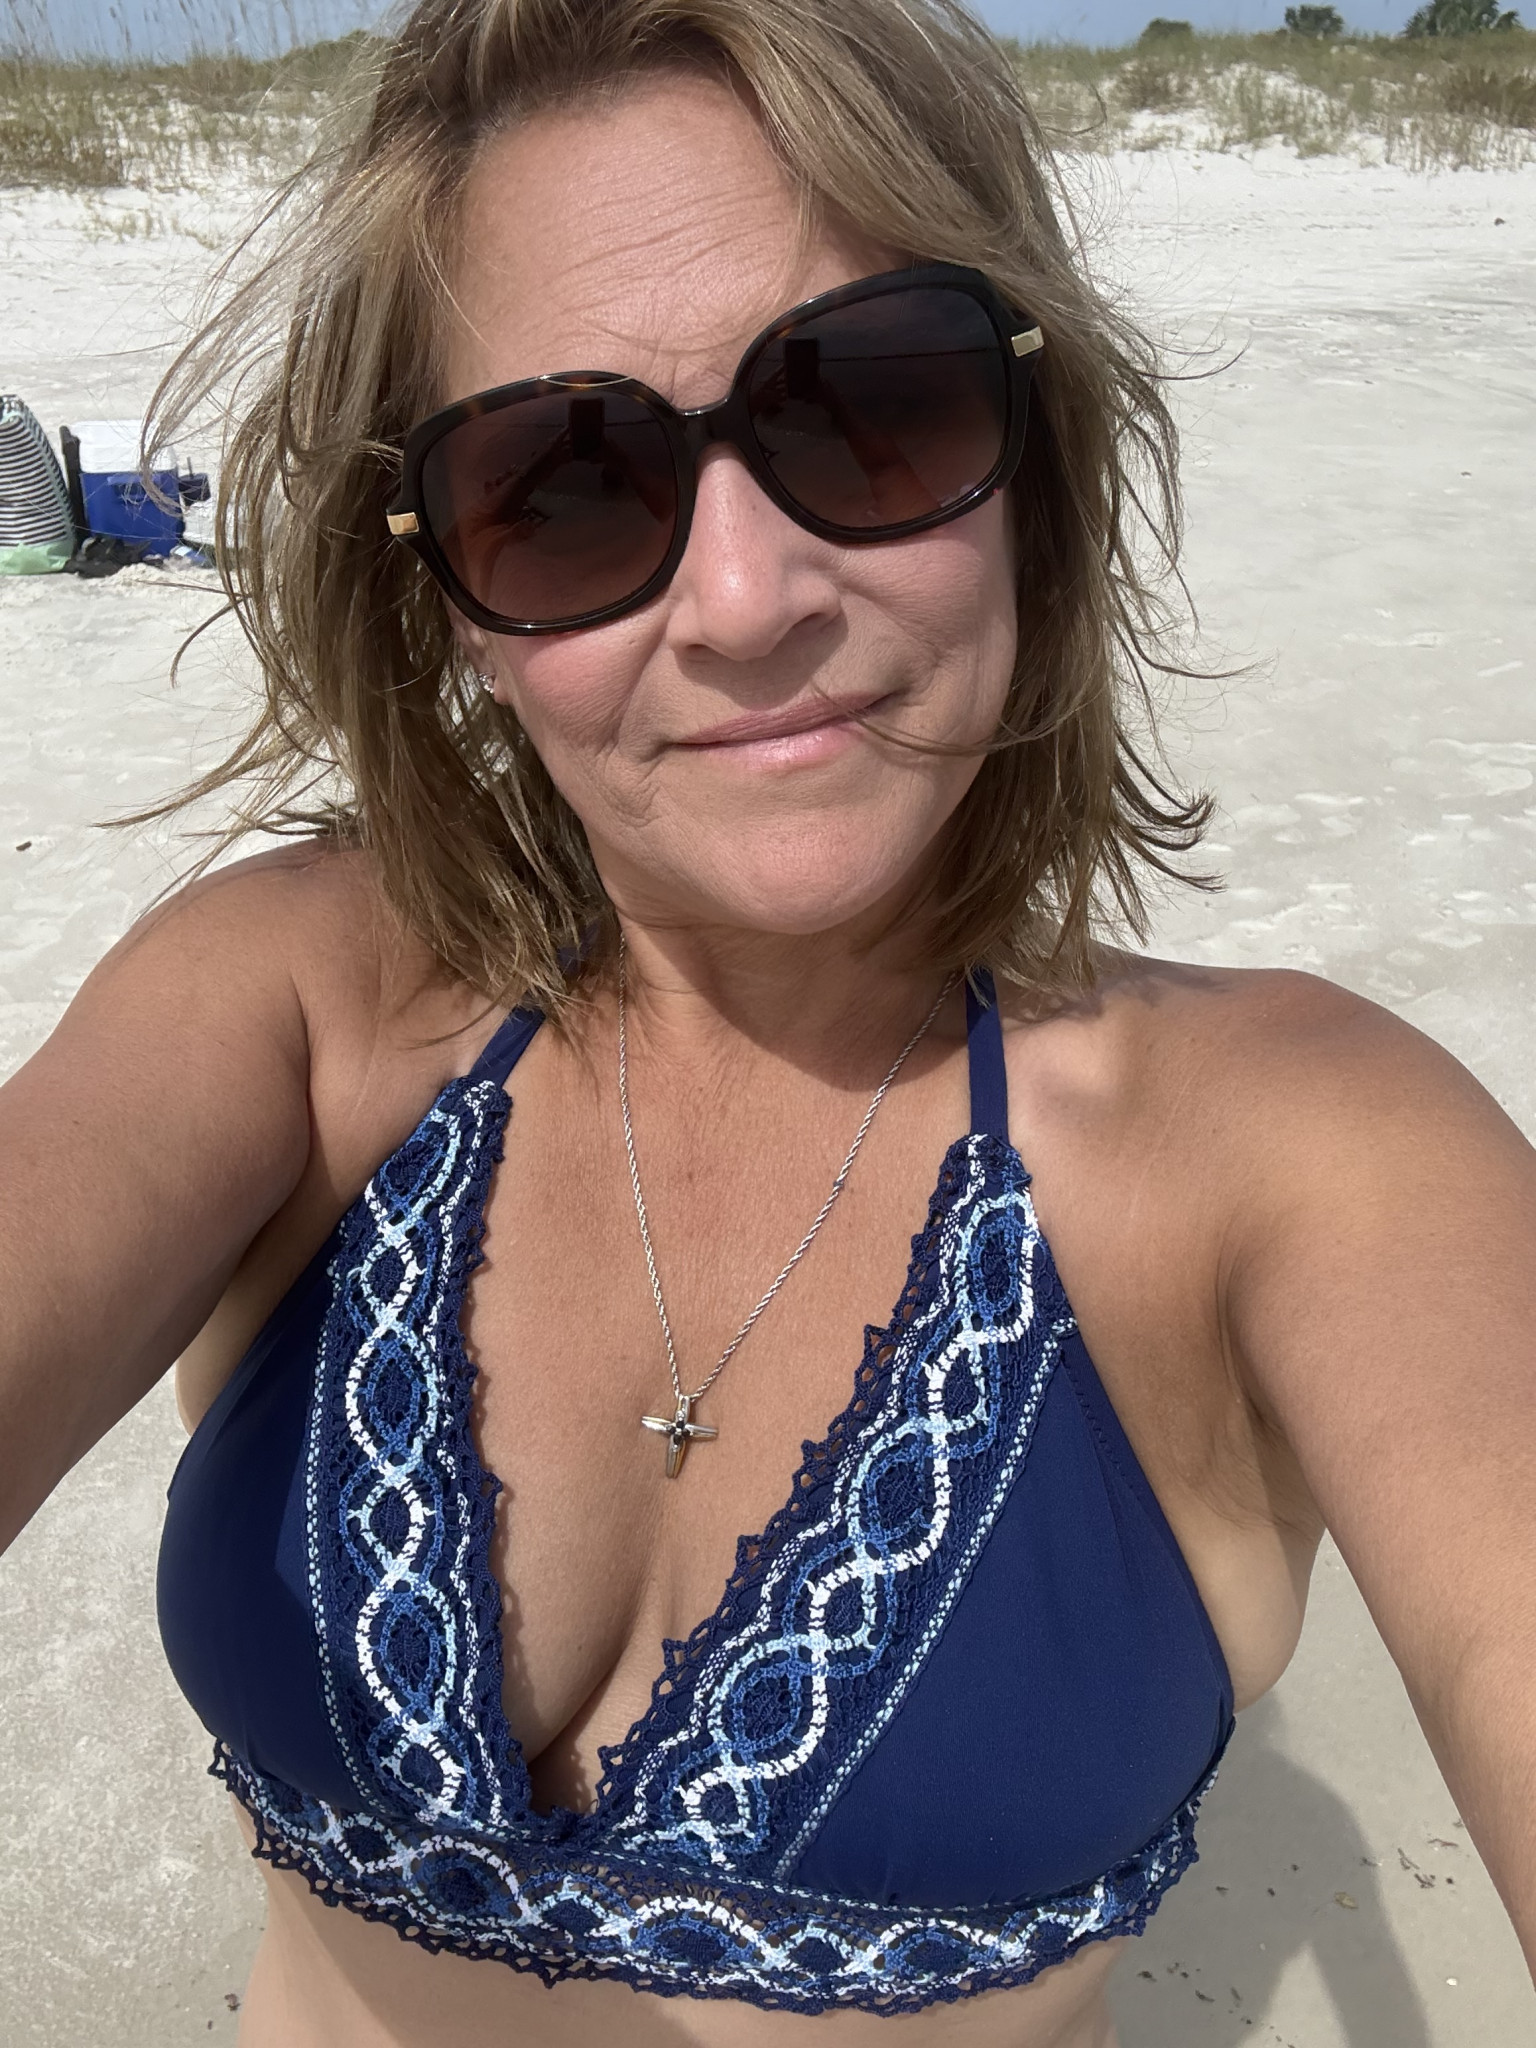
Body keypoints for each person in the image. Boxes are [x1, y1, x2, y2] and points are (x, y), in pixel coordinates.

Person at [0, 0, 1532, 2042]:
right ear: (448, 594)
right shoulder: (295, 1008)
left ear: (1035, 458)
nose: (744, 599)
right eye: (562, 485)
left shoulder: (1305, 1156)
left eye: (871, 410)